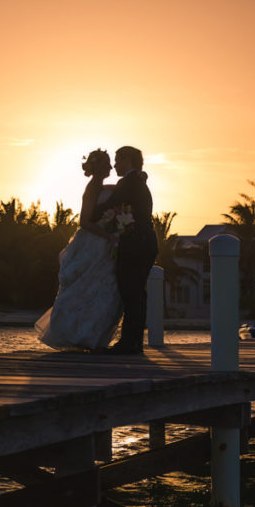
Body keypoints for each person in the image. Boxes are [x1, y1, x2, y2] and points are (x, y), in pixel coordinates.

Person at [35, 149, 123, 350]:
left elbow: (114, 190)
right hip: (93, 243)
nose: (110, 167)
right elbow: (84, 221)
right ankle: (75, 335)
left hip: (102, 244)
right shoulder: (92, 188)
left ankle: (90, 336)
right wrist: (108, 235)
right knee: (84, 287)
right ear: (98, 167)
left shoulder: (101, 187)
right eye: (107, 163)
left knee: (101, 289)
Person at [95, 146, 158, 354]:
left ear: (128, 160)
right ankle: (134, 342)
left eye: (117, 160)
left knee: (130, 292)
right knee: (137, 293)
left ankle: (129, 344)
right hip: (146, 242)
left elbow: (108, 206)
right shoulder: (136, 182)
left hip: (135, 243)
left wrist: (88, 214)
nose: (114, 165)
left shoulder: (128, 182)